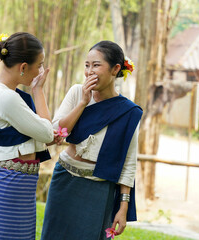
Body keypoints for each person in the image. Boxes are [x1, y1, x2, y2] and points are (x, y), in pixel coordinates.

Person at [41, 41, 143, 240]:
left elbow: (128, 163)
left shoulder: (127, 112)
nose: (89, 72)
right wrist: (82, 103)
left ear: (115, 69)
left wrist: (123, 208)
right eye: (87, 65)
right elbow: (54, 135)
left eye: (96, 65)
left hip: (100, 187)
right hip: (65, 179)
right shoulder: (77, 92)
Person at [0, 32, 61, 240]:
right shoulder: (7, 98)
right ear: (23, 67)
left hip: (17, 192)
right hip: (6, 192)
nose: (41, 71)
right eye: (39, 65)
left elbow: (41, 135)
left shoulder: (6, 95)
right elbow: (46, 131)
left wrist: (46, 134)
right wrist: (38, 90)